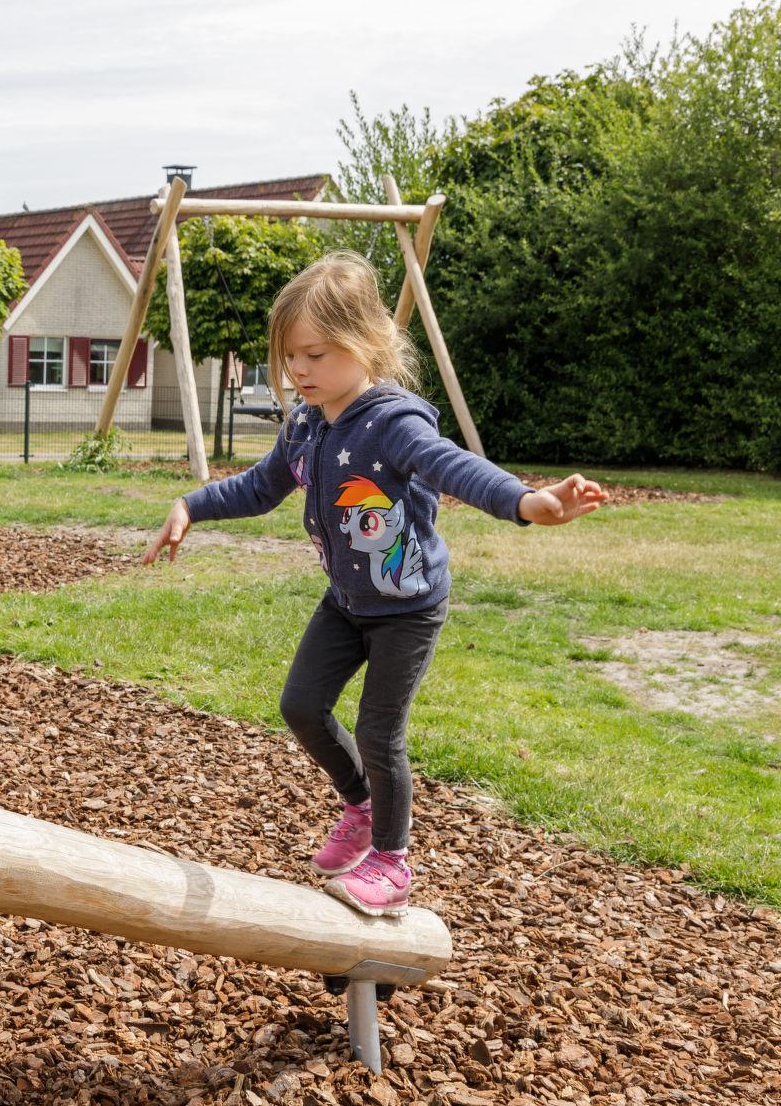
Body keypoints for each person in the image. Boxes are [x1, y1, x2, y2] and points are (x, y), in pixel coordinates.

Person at [142, 251, 605, 916]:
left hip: (407, 607)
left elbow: (455, 467)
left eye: (316, 355)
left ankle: (391, 861)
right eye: (290, 357)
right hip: (347, 600)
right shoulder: (305, 422)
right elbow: (261, 486)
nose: (299, 370)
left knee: (380, 730)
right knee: (301, 706)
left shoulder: (394, 420)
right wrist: (192, 504)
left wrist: (527, 502)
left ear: (367, 345)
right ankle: (359, 805)